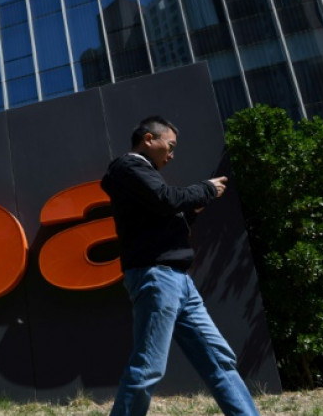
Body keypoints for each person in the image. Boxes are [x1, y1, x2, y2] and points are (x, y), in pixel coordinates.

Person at [101, 116, 259, 416]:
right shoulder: (129, 166)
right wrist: (205, 189)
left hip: (179, 281)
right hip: (156, 277)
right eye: (170, 146)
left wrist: (192, 211)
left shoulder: (141, 178)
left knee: (219, 359)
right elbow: (167, 199)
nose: (172, 155)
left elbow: (165, 215)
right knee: (148, 366)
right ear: (149, 139)